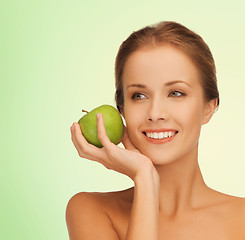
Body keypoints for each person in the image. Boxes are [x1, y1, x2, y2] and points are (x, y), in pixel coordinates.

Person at [66, 21, 245, 239]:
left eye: (176, 93)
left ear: (209, 108)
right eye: (139, 96)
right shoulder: (91, 210)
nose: (155, 113)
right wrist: (145, 178)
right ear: (122, 110)